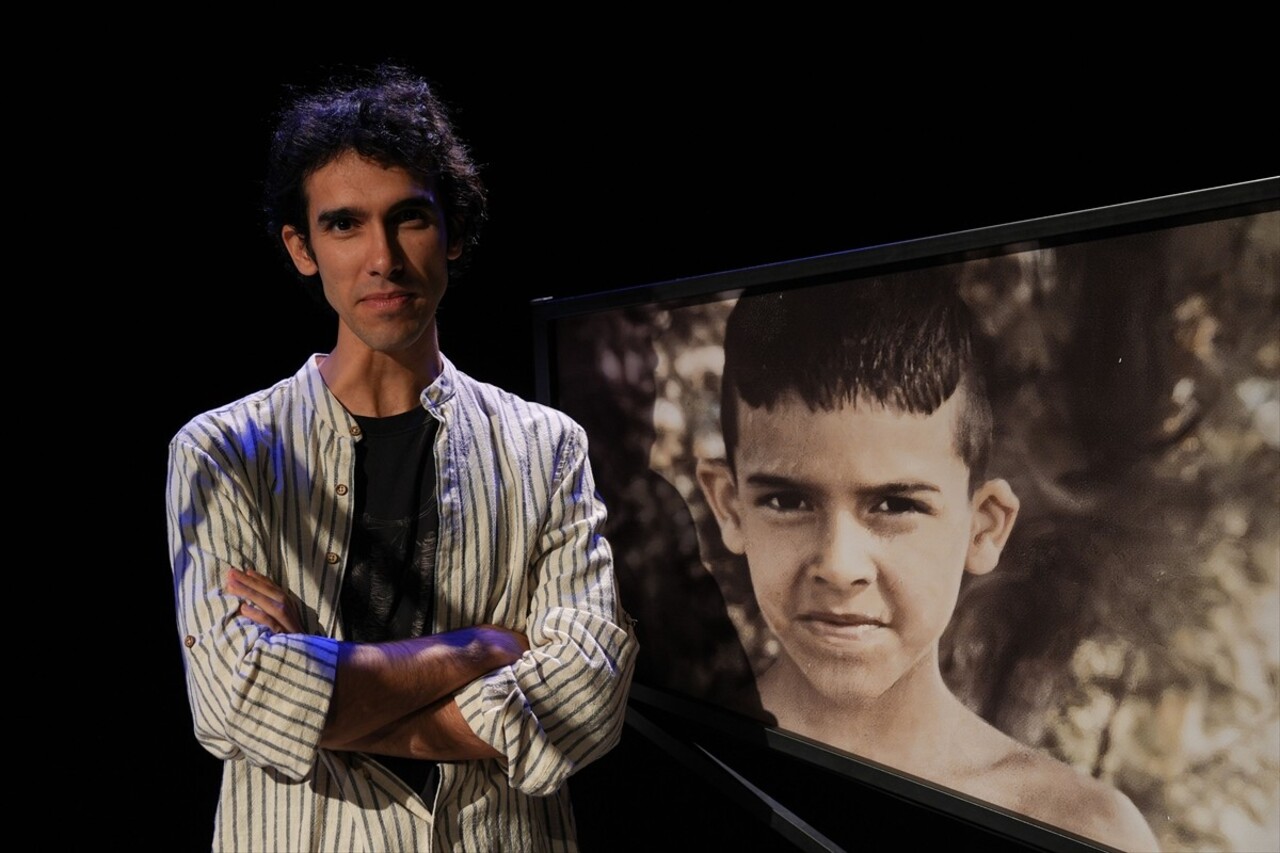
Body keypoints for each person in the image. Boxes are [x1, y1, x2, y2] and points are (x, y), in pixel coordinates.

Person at [166, 66, 636, 852]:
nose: (382, 257)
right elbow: (233, 703)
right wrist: (479, 649)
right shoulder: (223, 451)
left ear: (452, 231)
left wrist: (320, 697)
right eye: (345, 224)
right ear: (302, 247)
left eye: (409, 218)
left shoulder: (548, 445)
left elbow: (585, 698)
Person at [694, 279, 1159, 851]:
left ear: (983, 527)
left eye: (895, 505)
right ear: (729, 506)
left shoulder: (1081, 832)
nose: (840, 567)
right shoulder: (661, 772)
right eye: (788, 501)